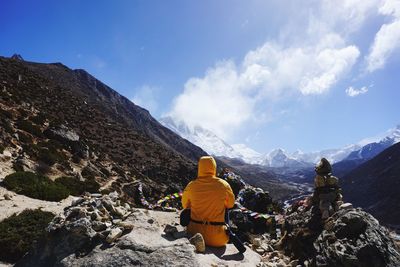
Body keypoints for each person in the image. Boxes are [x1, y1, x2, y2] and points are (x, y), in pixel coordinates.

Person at [182, 156, 235, 248]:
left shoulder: (191, 185)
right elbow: (230, 204)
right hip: (218, 239)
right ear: (214, 167)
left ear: (200, 168)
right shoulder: (223, 185)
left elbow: (185, 205)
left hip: (194, 234)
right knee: (225, 207)